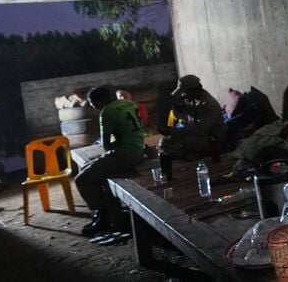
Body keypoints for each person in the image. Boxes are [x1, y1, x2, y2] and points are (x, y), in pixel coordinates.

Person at [75, 85, 145, 236]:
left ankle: (103, 218)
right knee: (88, 167)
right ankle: (107, 213)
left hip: (124, 155)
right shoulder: (129, 104)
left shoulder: (106, 112)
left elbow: (106, 145)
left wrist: (115, 144)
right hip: (139, 150)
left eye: (94, 105)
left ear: (98, 102)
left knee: (82, 179)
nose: (95, 108)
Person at [159, 74, 226, 159]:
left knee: (177, 144)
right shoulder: (190, 99)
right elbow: (180, 117)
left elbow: (201, 129)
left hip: (211, 138)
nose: (183, 95)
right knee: (164, 141)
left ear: (193, 91)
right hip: (195, 135)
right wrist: (176, 109)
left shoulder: (209, 105)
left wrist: (176, 129)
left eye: (185, 92)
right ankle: (188, 152)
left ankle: (192, 153)